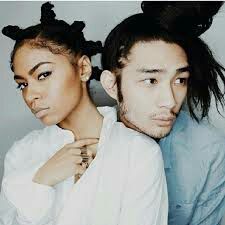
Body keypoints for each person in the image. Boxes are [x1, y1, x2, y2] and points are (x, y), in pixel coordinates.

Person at [0, 2, 168, 225]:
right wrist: (42, 180)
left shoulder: (138, 152)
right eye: (22, 85)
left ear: (83, 68)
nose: (31, 95)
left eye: (43, 75)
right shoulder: (21, 153)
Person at [100, 2, 225, 225]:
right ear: (111, 85)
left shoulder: (209, 150)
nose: (170, 100)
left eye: (180, 80)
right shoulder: (83, 141)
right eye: (151, 80)